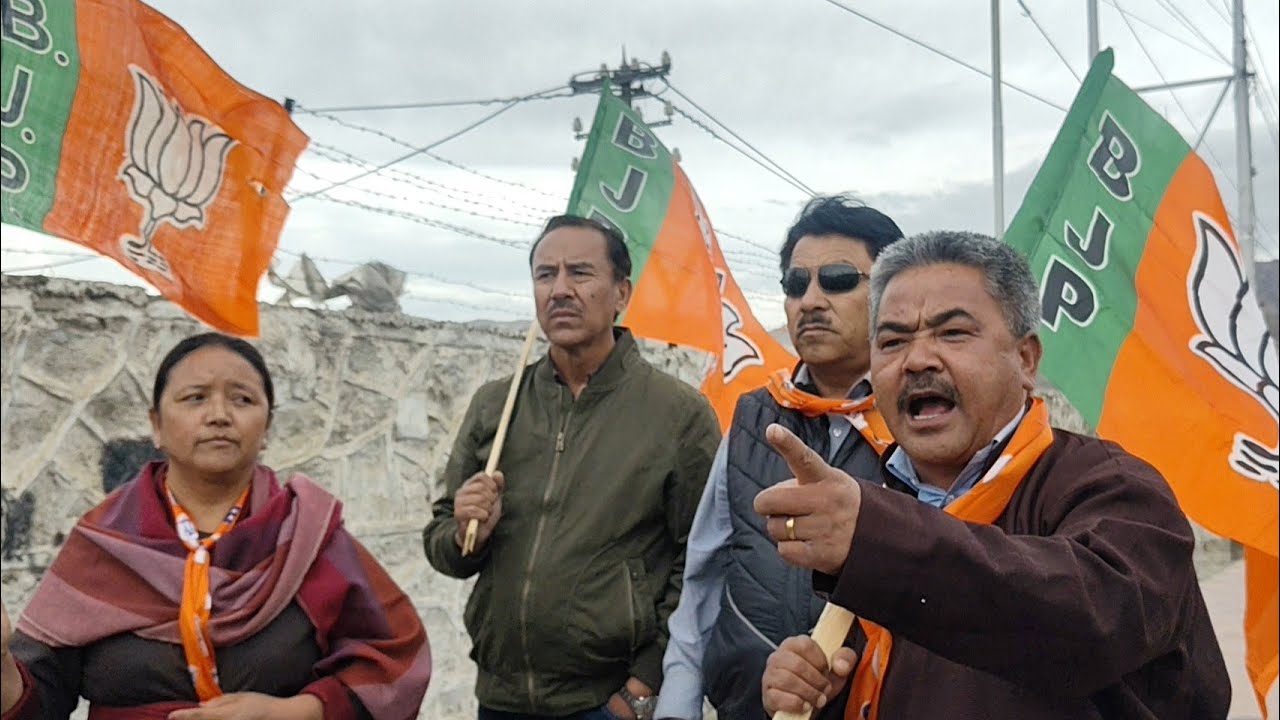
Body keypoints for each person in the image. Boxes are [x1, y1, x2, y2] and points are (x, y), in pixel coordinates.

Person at [755, 231, 1230, 719]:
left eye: (953, 333)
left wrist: (875, 537)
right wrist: (817, 690)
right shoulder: (885, 500)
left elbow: (1092, 621)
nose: (917, 360)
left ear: (1025, 359)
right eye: (893, 341)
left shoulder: (1115, 489)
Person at [0, 332, 432, 720]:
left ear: (267, 428)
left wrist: (297, 712)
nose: (220, 415)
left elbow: (395, 660)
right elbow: (39, 698)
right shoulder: (103, 545)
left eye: (242, 399)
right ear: (156, 425)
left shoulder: (309, 539)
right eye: (195, 398)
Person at [423, 215, 721, 720]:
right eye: (545, 275)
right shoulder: (497, 403)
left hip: (607, 703)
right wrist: (463, 531)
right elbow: (444, 546)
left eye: (580, 273)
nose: (560, 289)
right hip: (500, 698)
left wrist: (642, 687)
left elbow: (702, 562)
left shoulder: (678, 415)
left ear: (621, 292)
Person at [654, 196, 904, 720]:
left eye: (837, 279)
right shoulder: (754, 418)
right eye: (796, 283)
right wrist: (677, 707)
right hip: (747, 706)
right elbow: (704, 578)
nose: (810, 300)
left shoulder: (921, 420)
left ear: (889, 293)